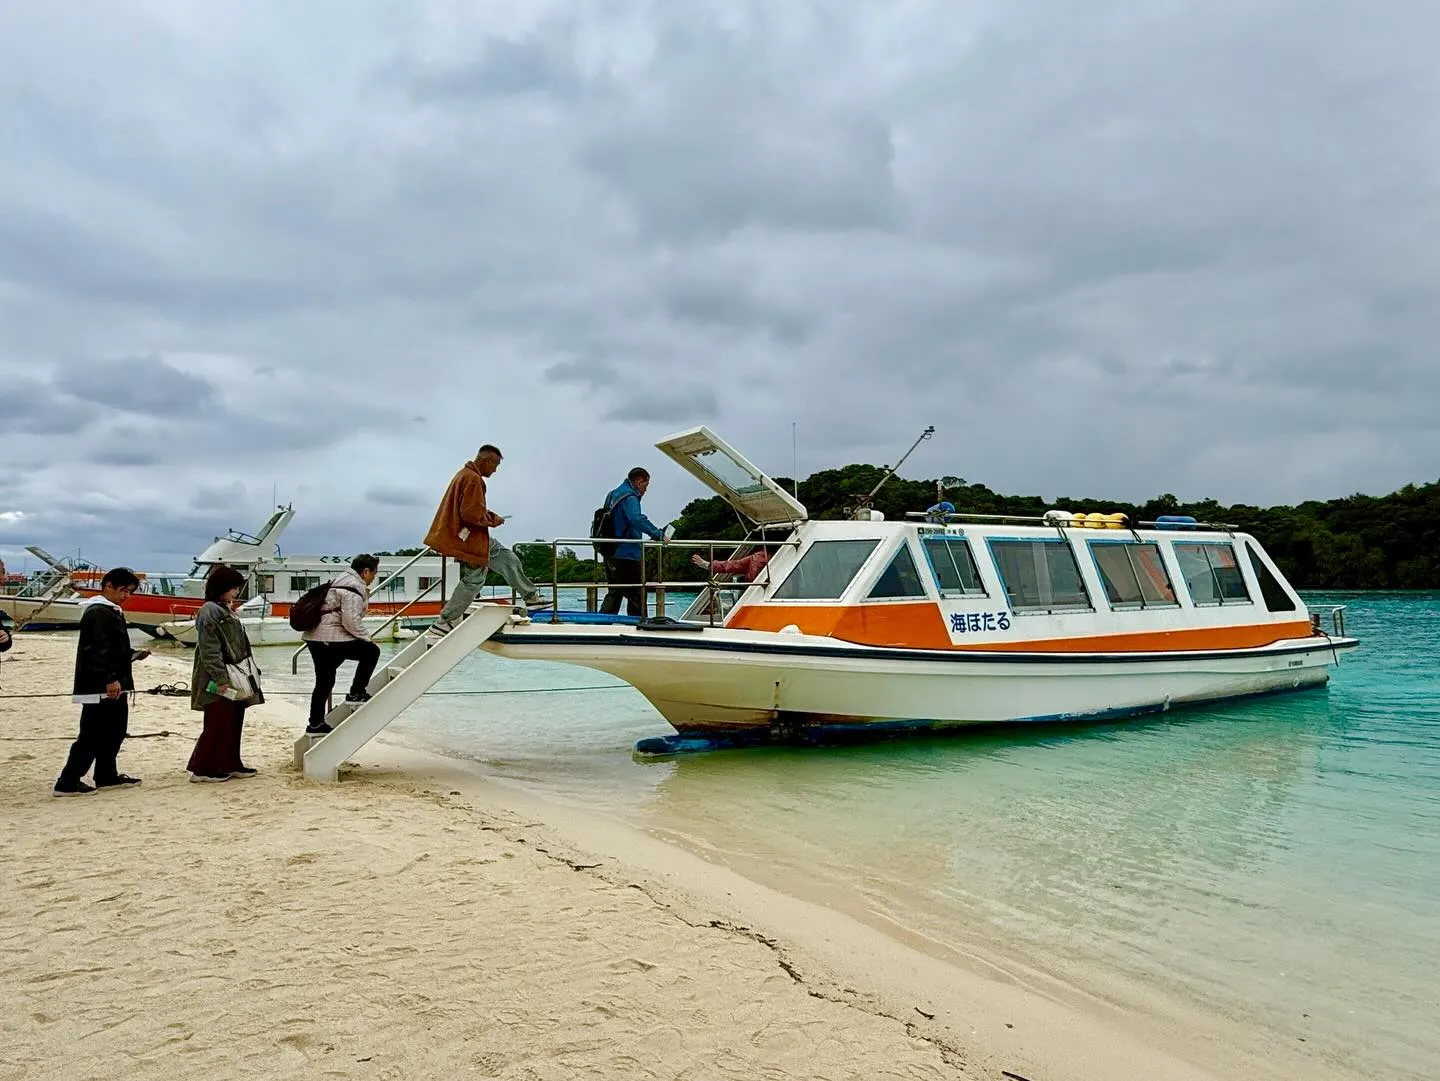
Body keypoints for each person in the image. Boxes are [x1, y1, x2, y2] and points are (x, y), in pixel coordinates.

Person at [53, 567, 149, 796]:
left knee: (115, 730)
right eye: (124, 590)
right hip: (100, 686)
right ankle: (68, 781)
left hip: (115, 683)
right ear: (108, 587)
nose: (126, 596)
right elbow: (96, 650)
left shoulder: (112, 611)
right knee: (92, 734)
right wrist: (110, 679)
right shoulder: (97, 612)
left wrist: (132, 653)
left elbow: (112, 647)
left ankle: (106, 775)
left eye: (130, 592)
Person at [187, 565, 263, 782]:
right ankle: (201, 768)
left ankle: (229, 762)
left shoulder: (224, 609)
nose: (236, 592)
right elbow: (210, 648)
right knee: (217, 721)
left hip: (234, 674)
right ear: (221, 587)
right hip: (219, 676)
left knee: (233, 718)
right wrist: (220, 679)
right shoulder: (210, 610)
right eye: (233, 588)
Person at [424, 444, 506, 634]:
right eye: (495, 465)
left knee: (498, 561)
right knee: (474, 580)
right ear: (487, 461)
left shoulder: (464, 475)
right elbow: (471, 514)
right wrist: (493, 520)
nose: (495, 470)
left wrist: (490, 517)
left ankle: (531, 595)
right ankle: (445, 620)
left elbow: (470, 510)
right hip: (467, 539)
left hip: (458, 535)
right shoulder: (474, 479)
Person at [301, 554, 381, 736]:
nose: (374, 578)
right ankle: (356, 692)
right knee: (371, 652)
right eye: (374, 574)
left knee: (324, 680)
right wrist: (367, 638)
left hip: (315, 637)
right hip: (331, 636)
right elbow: (351, 621)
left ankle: (315, 724)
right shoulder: (354, 587)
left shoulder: (339, 580)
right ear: (365, 571)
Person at [600, 467, 666, 617]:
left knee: (615, 592)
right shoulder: (630, 497)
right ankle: (638, 624)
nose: (645, 490)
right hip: (627, 553)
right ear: (638, 482)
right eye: (645, 485)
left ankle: (602, 624)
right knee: (637, 592)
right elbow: (636, 518)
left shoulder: (612, 495)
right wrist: (658, 534)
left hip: (610, 550)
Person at [691, 546, 770, 583]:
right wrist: (708, 565)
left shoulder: (757, 558)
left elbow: (733, 565)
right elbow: (733, 565)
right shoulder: (757, 558)